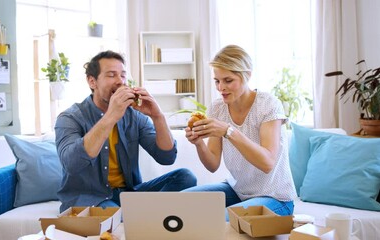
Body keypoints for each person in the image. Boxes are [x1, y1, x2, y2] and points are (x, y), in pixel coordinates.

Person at [55, 50, 197, 212]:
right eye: (111, 75)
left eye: (122, 75)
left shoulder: (134, 116)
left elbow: (166, 157)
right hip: (92, 197)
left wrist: (157, 116)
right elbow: (71, 164)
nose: (120, 81)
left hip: (129, 194)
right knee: (118, 216)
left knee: (185, 177)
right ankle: (144, 217)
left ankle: (143, 216)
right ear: (92, 82)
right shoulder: (70, 117)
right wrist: (110, 116)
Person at [183, 45, 297, 217]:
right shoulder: (217, 108)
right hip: (238, 192)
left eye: (228, 80)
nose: (221, 87)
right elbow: (212, 164)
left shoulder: (268, 104)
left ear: (247, 75)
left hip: (275, 198)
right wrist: (199, 143)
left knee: (219, 219)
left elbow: (267, 163)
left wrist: (228, 131)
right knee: (180, 202)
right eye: (217, 81)